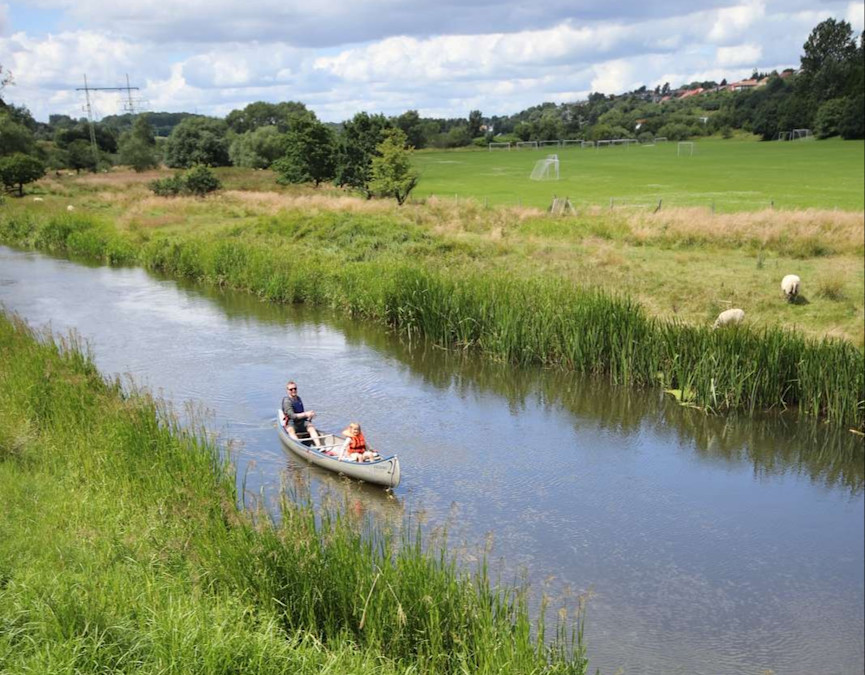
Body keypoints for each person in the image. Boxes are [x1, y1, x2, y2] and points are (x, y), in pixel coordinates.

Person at [281, 380, 322, 448]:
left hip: (301, 422)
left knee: (311, 427)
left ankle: (319, 446)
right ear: (287, 390)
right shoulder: (287, 402)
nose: (293, 390)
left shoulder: (298, 398)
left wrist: (310, 416)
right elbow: (292, 416)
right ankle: (299, 447)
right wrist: (306, 414)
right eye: (291, 389)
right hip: (291, 423)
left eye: (295, 388)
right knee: (291, 431)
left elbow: (302, 413)